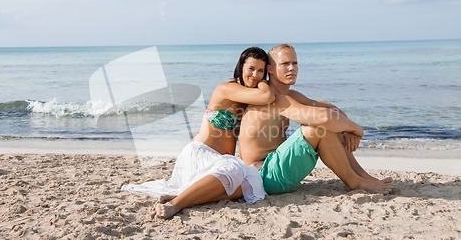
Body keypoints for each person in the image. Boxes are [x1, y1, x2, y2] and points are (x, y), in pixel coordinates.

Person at [122, 47, 275, 218]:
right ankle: (175, 204)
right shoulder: (226, 89)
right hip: (200, 155)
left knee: (252, 183)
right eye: (251, 69)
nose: (255, 75)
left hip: (216, 163)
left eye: (261, 70)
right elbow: (267, 96)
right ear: (241, 67)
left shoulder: (247, 97)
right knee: (235, 168)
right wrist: (264, 81)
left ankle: (184, 196)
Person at [238, 44, 393, 195]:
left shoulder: (291, 96)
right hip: (263, 175)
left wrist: (345, 130)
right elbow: (324, 117)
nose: (292, 68)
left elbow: (329, 109)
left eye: (295, 63)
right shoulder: (273, 98)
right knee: (318, 127)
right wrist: (357, 129)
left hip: (278, 168)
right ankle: (353, 182)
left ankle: (362, 176)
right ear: (270, 69)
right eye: (285, 64)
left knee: (330, 125)